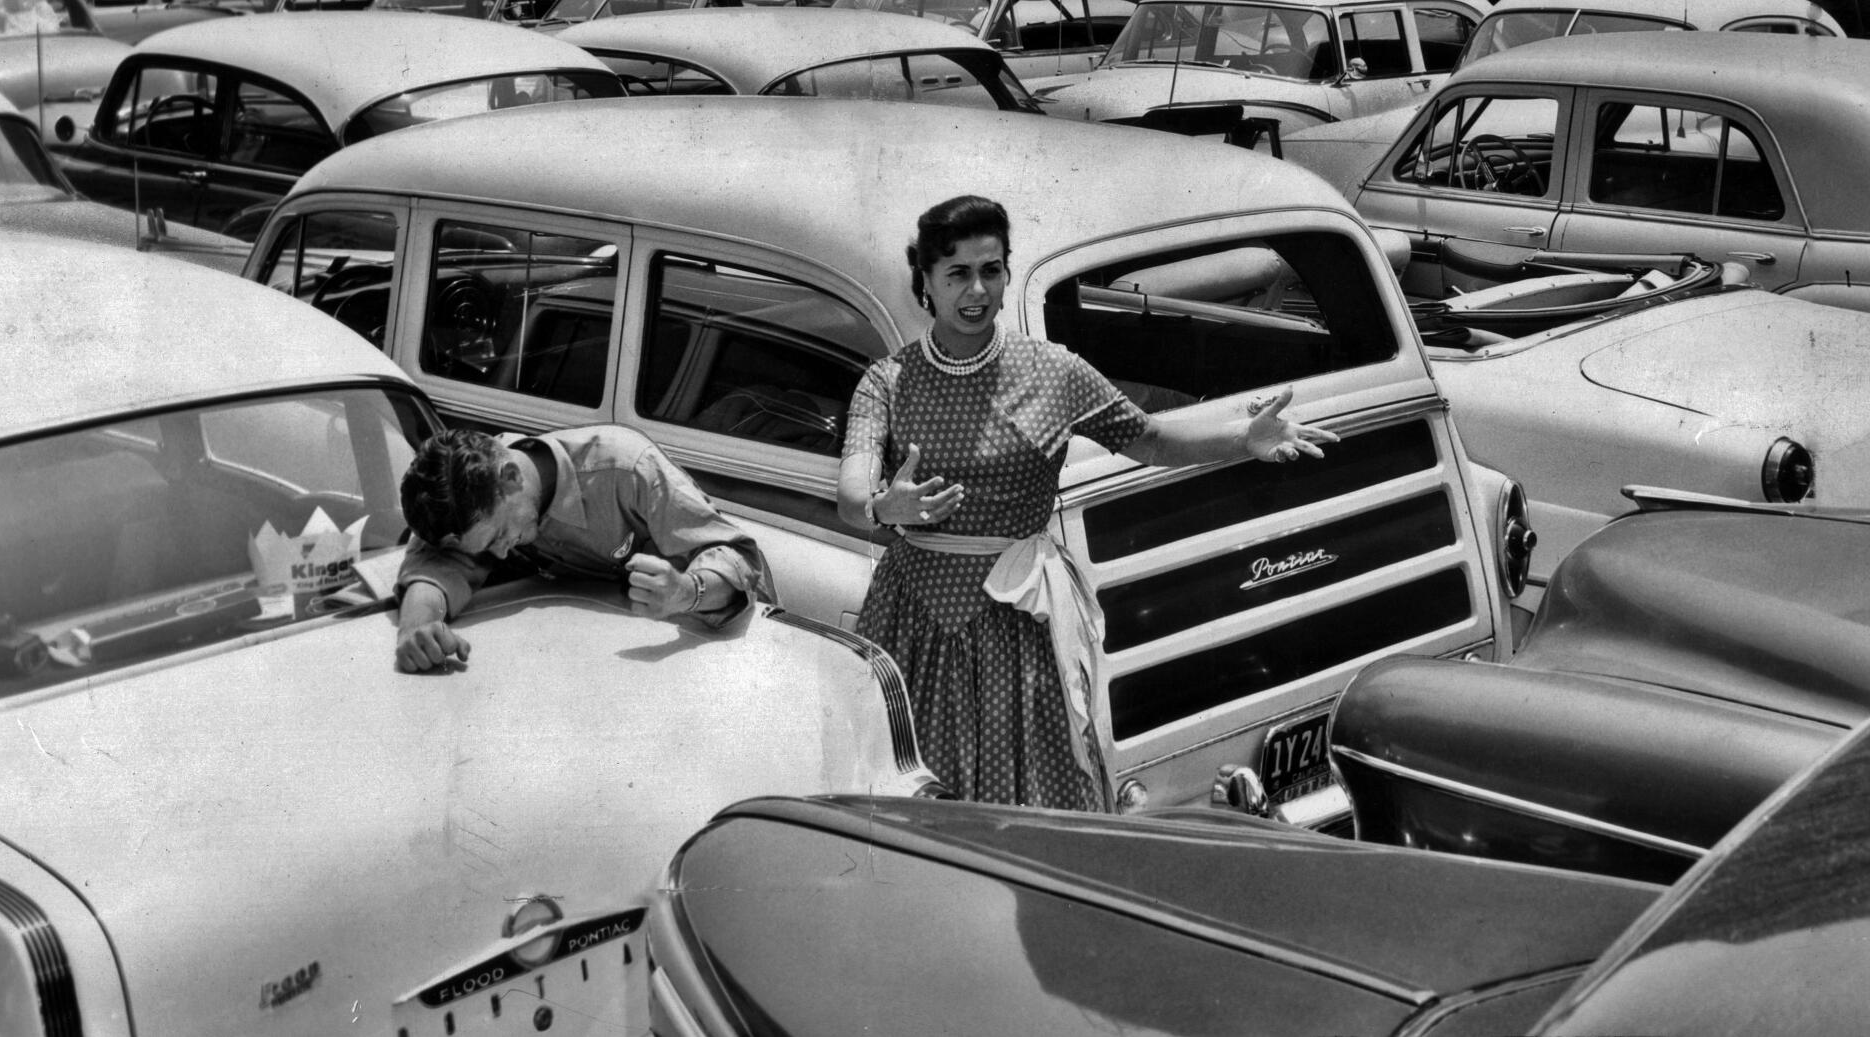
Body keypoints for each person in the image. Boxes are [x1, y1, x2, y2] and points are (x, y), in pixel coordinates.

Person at [837, 194, 1340, 811]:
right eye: (957, 273)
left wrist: (1244, 438)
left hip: (1017, 622)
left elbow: (1151, 438)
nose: (976, 291)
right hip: (916, 621)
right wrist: (886, 508)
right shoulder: (887, 382)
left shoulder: (1054, 371)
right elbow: (852, 493)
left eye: (990, 270)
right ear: (926, 282)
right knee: (910, 796)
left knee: (1029, 796)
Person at [392, 425, 771, 672]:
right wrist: (418, 628)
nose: (502, 554)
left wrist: (686, 591)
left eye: (500, 536)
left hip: (732, 646)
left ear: (510, 478)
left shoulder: (628, 468)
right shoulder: (465, 494)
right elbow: (434, 569)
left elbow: (742, 559)